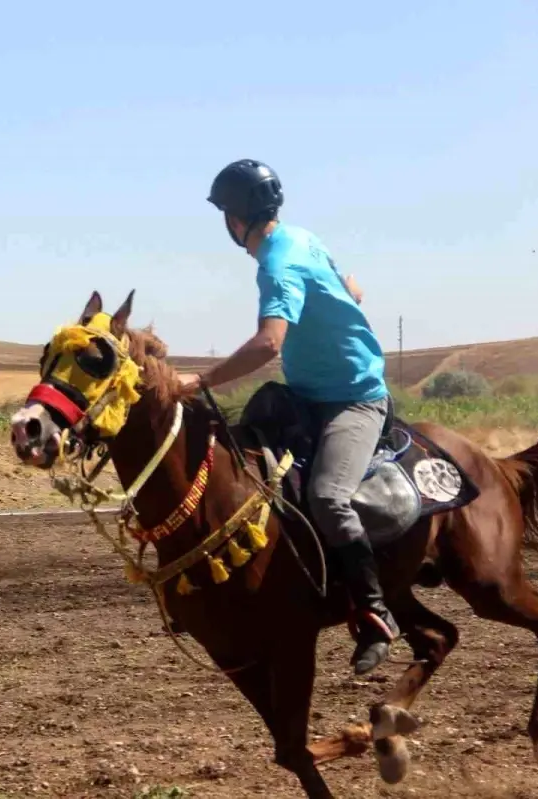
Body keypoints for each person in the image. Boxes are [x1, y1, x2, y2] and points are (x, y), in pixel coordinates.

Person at [178, 159, 397, 675]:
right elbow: (350, 287)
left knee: (326, 496)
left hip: (354, 399)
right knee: (246, 466)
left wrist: (201, 381)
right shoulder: (301, 239)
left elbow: (268, 342)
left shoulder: (278, 262)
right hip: (305, 394)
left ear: (235, 218)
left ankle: (372, 610)